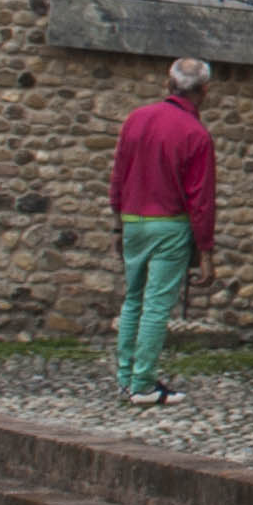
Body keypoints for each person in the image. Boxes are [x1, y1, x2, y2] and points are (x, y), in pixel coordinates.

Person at [107, 58, 219, 405]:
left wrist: (117, 222)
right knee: (156, 305)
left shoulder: (136, 120)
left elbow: (118, 175)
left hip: (134, 219)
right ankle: (143, 383)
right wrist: (206, 252)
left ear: (168, 84)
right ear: (204, 90)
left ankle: (126, 377)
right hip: (170, 223)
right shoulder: (195, 134)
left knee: (133, 301)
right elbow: (200, 199)